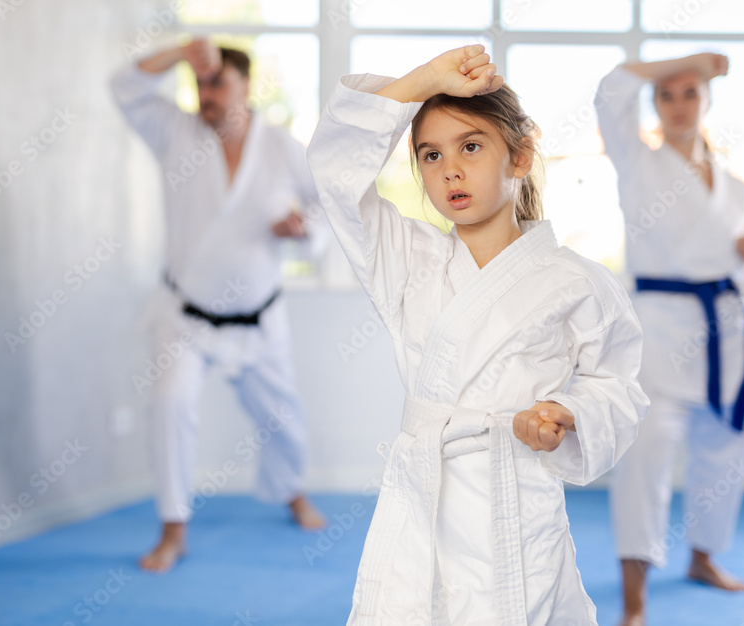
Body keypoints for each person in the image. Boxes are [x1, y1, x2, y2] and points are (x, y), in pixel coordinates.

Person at [306, 44, 649, 624]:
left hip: (517, 502)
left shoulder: (577, 281)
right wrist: (422, 80)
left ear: (520, 155)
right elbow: (336, 174)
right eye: (431, 155)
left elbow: (618, 386)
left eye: (470, 146)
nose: (450, 170)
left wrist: (565, 412)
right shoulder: (407, 259)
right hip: (423, 497)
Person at [110, 39, 328, 573]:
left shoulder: (282, 147)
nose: (205, 94)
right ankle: (173, 529)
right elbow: (124, 85)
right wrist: (183, 52)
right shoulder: (175, 131)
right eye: (199, 83)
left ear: (245, 86)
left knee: (282, 419)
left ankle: (292, 492)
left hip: (258, 318)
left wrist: (303, 229)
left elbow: (327, 204)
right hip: (184, 316)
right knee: (170, 403)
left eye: (217, 83)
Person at [596, 54, 744, 626]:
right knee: (646, 455)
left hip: (728, 330)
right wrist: (693, 62)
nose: (678, 105)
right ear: (654, 105)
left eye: (690, 92)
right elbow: (611, 91)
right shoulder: (636, 162)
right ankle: (634, 594)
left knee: (723, 449)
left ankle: (703, 557)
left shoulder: (736, 187)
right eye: (666, 95)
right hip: (661, 331)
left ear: (707, 101)